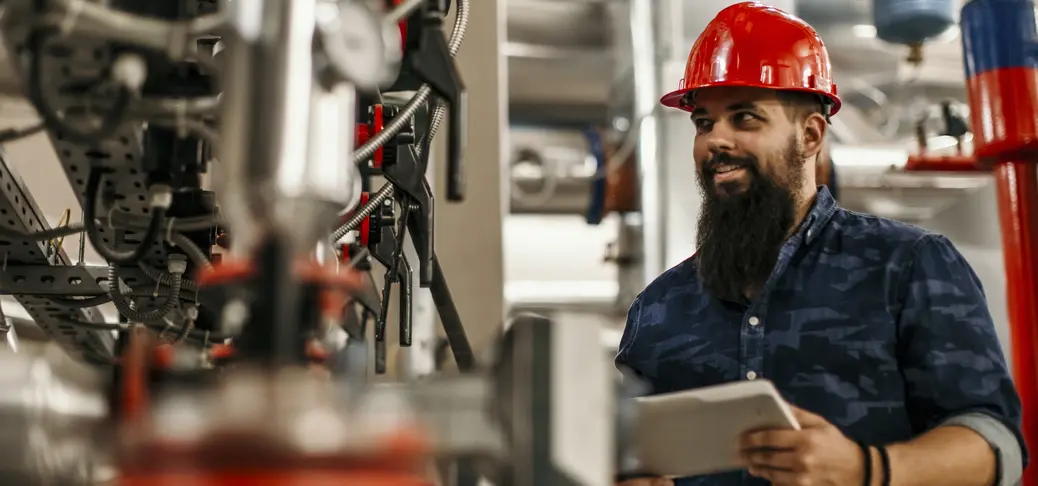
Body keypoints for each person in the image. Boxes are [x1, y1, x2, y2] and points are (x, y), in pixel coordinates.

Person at [615, 3, 1025, 486]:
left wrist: (867, 470)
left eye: (744, 118)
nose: (715, 141)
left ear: (810, 135)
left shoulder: (906, 267)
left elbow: (995, 445)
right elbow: (626, 453)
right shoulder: (659, 309)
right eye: (704, 122)